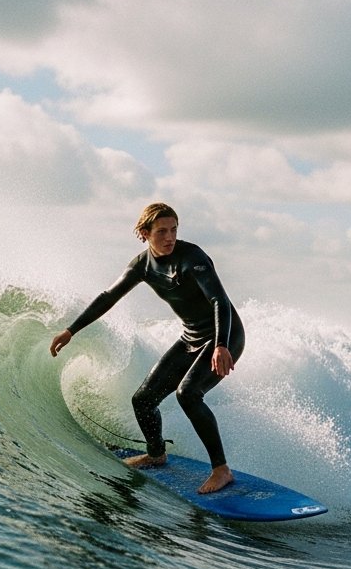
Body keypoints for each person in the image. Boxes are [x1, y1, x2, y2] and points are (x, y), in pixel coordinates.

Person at [49, 203, 244, 494]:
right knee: (143, 399)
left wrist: (220, 345)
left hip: (225, 336)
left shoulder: (192, 257)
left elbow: (219, 300)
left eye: (174, 230)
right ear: (144, 234)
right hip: (191, 338)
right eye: (162, 231)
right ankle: (156, 453)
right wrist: (71, 330)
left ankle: (221, 470)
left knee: (188, 394)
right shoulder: (142, 265)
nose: (170, 237)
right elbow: (108, 296)